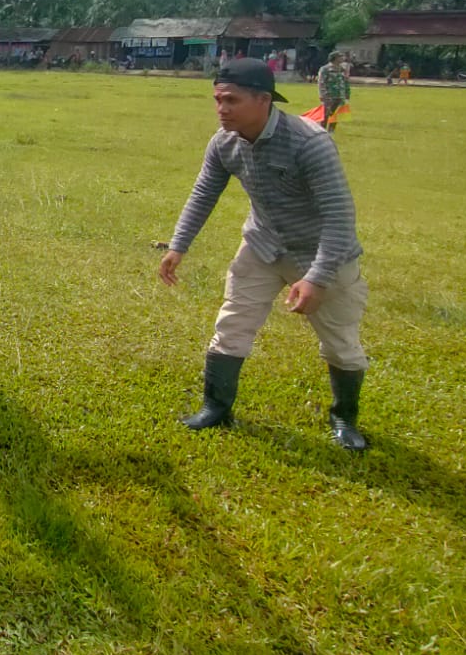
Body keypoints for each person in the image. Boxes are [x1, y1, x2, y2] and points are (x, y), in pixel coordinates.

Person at [158, 58, 370, 451]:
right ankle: (216, 407)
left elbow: (339, 217)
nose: (222, 109)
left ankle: (344, 417)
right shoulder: (225, 143)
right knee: (232, 323)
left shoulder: (309, 143)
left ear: (264, 100)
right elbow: (204, 192)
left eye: (231, 100)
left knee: (340, 342)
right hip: (263, 245)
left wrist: (317, 277)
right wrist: (178, 245)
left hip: (322, 251)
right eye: (218, 99)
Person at [316, 50, 350, 133]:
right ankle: (322, 130)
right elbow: (321, 82)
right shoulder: (325, 69)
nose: (342, 58)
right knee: (326, 114)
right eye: (340, 57)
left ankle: (331, 131)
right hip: (329, 95)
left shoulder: (342, 69)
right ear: (335, 58)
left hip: (339, 95)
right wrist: (322, 94)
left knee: (335, 114)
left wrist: (347, 94)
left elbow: (345, 81)